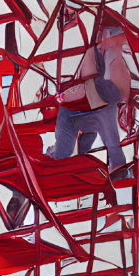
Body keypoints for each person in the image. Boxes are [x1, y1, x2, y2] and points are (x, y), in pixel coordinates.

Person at [48, 26, 132, 177]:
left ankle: (115, 175)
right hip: (73, 110)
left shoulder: (108, 55)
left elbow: (117, 93)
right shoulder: (84, 49)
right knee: (63, 153)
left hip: (96, 109)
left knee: (113, 151)